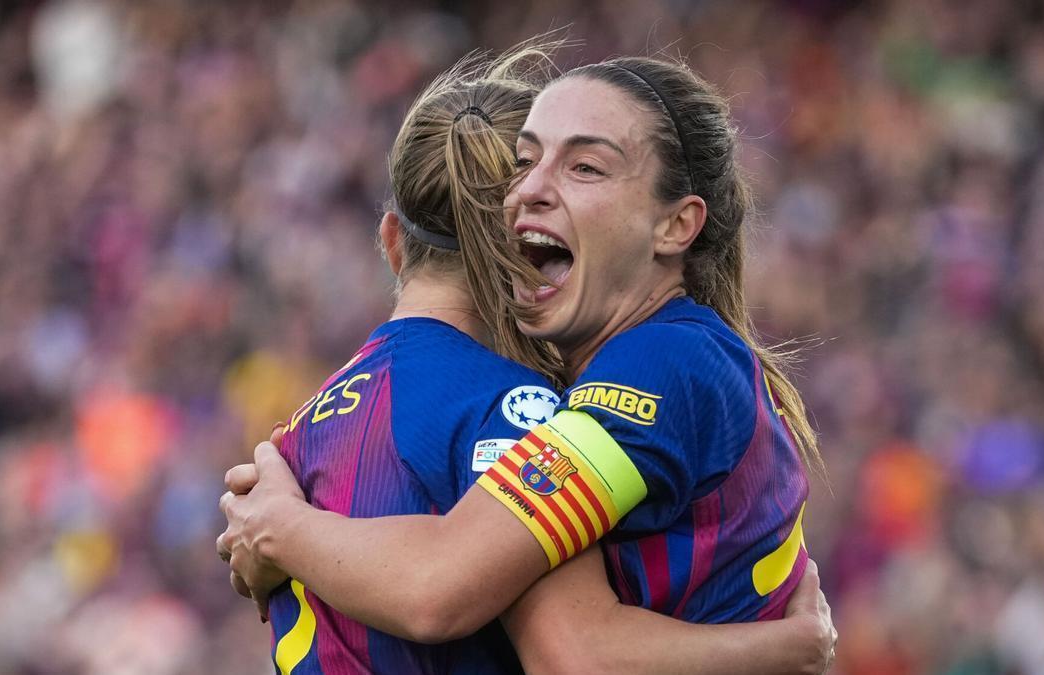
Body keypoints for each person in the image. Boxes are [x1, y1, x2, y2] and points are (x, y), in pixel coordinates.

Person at [220, 49, 835, 673]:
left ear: (676, 225)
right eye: (524, 162)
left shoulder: (665, 361)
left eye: (586, 167)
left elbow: (473, 603)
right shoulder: (570, 388)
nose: (530, 190)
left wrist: (280, 529)